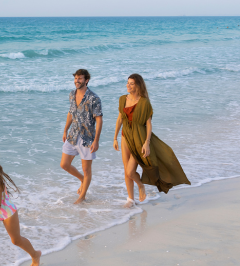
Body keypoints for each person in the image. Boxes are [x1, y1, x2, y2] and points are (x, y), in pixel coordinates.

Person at [113, 74, 191, 208]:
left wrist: (147, 142)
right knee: (126, 170)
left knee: (131, 171)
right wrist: (114, 138)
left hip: (139, 139)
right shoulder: (122, 99)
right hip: (125, 137)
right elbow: (120, 118)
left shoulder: (144, 102)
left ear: (138, 85)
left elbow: (148, 124)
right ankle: (130, 200)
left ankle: (140, 185)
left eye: (131, 83)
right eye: (127, 83)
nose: (128, 85)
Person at [60, 69, 103, 204]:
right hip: (73, 135)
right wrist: (65, 130)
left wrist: (96, 141)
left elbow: (99, 120)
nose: (77, 81)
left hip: (87, 138)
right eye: (76, 78)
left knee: (86, 169)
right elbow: (71, 113)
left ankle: (82, 196)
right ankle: (82, 179)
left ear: (86, 80)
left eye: (80, 78)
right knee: (64, 164)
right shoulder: (72, 94)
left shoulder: (94, 98)